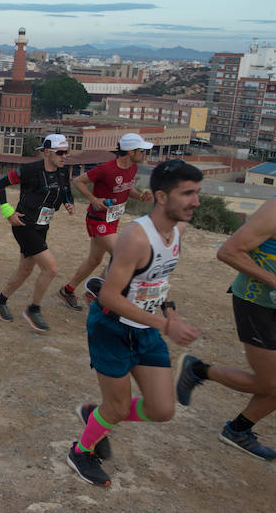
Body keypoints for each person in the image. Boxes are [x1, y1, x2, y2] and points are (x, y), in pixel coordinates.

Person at [65, 159, 202, 487]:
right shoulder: (136, 237)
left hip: (145, 329)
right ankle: (81, 451)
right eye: (187, 193)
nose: (196, 201)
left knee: (162, 409)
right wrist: (165, 326)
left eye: (197, 193)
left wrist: (170, 313)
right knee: (117, 407)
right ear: (161, 197)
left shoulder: (177, 231)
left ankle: (96, 415)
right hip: (111, 328)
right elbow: (109, 296)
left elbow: (157, 281)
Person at [176, 153, 276, 462]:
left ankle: (238, 429)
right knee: (270, 383)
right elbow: (228, 251)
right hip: (255, 302)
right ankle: (198, 370)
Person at [58, 133, 154, 311]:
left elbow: (126, 187)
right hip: (98, 219)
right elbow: (78, 181)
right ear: (131, 152)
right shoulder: (106, 169)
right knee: (122, 255)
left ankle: (67, 290)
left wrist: (141, 196)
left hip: (113, 220)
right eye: (142, 150)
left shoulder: (132, 168)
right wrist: (93, 199)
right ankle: (96, 293)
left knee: (94, 260)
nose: (145, 154)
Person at [0, 135, 75, 331]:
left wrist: (68, 203)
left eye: (66, 152)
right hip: (24, 225)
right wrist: (8, 212)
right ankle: (33, 309)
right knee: (51, 269)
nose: (64, 156)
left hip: (42, 226)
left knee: (26, 269)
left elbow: (66, 192)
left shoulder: (63, 172)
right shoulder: (29, 170)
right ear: (47, 152)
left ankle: (0, 301)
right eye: (60, 152)